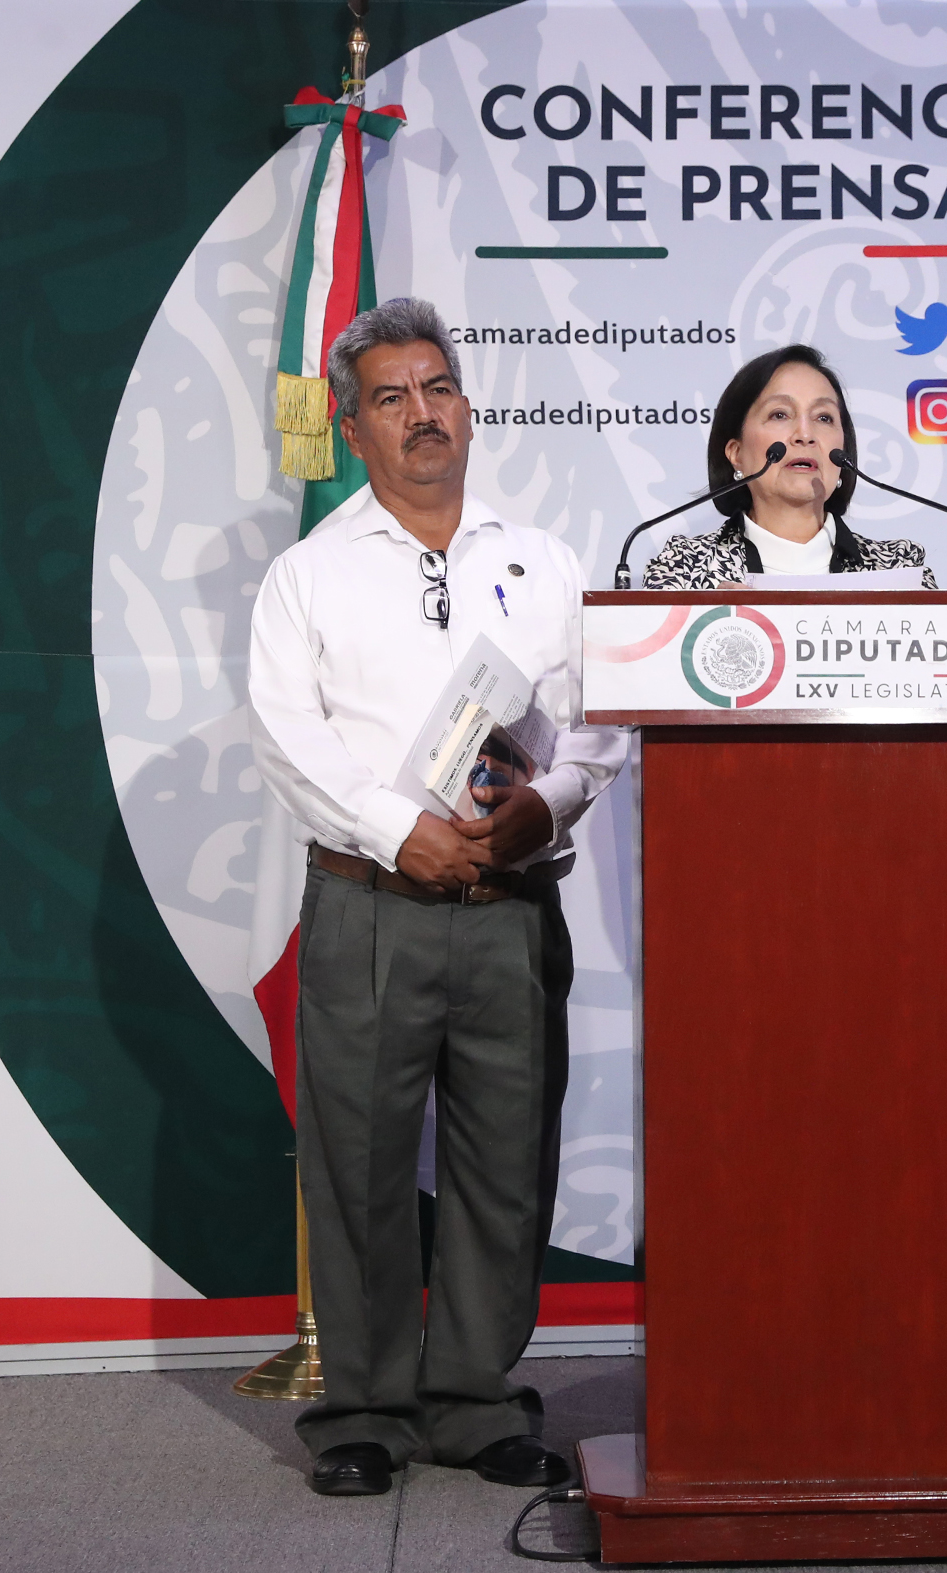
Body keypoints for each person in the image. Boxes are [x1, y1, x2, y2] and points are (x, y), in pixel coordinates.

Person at [248, 297, 629, 1499]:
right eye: (392, 397)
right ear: (352, 426)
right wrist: (397, 831)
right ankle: (362, 1409)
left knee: (503, 1158)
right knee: (359, 1163)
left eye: (438, 388)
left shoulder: (544, 561)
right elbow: (287, 735)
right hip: (370, 904)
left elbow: (599, 724)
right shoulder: (308, 574)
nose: (422, 413)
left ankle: (473, 1400)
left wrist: (544, 807)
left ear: (468, 408)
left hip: (512, 903)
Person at [644, 345, 936, 588]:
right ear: (736, 453)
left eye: (824, 417)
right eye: (780, 414)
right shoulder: (684, 570)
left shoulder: (900, 571)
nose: (805, 435)